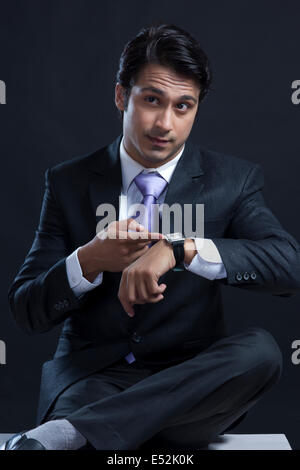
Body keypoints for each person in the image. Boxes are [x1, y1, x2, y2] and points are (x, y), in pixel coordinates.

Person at [3, 23, 300, 451]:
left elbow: (289, 265)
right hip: (95, 383)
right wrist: (88, 259)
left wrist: (181, 250)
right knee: (101, 411)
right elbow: (26, 309)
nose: (165, 123)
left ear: (197, 108)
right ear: (122, 96)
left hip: (193, 384)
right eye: (152, 100)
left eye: (184, 106)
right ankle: (107, 427)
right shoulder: (69, 182)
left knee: (262, 352)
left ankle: (80, 433)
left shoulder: (232, 181)